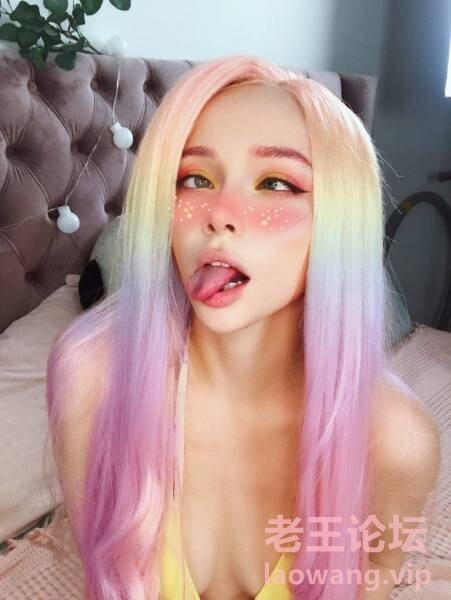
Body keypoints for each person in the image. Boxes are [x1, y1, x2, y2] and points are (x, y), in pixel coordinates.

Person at [45, 55, 441, 600]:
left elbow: (374, 576)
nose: (219, 213)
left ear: (339, 220)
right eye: (195, 179)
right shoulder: (91, 380)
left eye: (276, 182)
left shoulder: (397, 440)